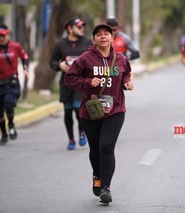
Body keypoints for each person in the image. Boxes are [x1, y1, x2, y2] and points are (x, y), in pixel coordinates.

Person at [64, 24, 134, 204]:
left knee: (106, 146)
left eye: (106, 34)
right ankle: (97, 175)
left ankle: (106, 187)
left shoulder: (120, 58)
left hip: (115, 109)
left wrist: (127, 82)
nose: (103, 37)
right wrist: (88, 82)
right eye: (99, 34)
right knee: (95, 150)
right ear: (94, 39)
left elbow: (126, 73)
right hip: (91, 111)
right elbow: (70, 78)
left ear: (112, 38)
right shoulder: (85, 59)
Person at [49, 18, 93, 150]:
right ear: (69, 28)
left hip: (82, 83)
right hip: (66, 83)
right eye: (78, 27)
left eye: (82, 27)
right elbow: (52, 62)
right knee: (67, 112)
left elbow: (95, 58)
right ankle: (71, 139)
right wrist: (59, 65)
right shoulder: (60, 44)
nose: (82, 29)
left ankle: (82, 132)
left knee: (78, 109)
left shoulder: (87, 43)